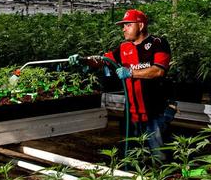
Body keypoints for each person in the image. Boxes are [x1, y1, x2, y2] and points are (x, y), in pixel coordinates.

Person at [69, 9, 174, 161]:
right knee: (132, 153)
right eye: (123, 25)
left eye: (128, 25)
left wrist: (131, 73)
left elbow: (158, 71)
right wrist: (84, 60)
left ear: (141, 26)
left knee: (159, 153)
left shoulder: (158, 43)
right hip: (131, 112)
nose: (123, 29)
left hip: (155, 111)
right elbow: (103, 60)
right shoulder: (124, 47)